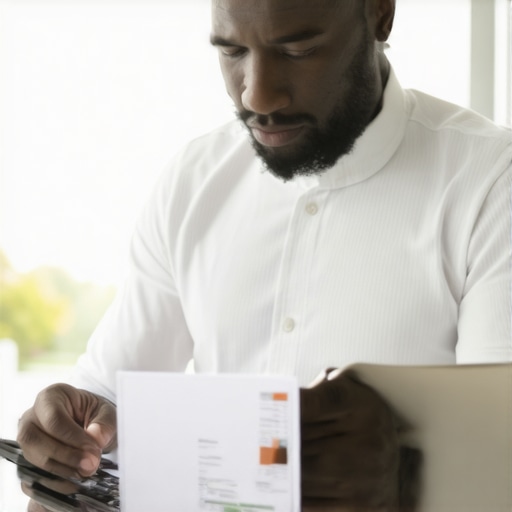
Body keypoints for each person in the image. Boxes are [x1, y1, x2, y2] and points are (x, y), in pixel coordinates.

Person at [17, 0, 512, 510]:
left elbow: (501, 452)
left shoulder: (492, 182)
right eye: (231, 51)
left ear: (380, 15)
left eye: (298, 50)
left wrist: (405, 485)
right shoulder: (194, 179)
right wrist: (66, 444)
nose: (257, 94)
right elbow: (109, 400)